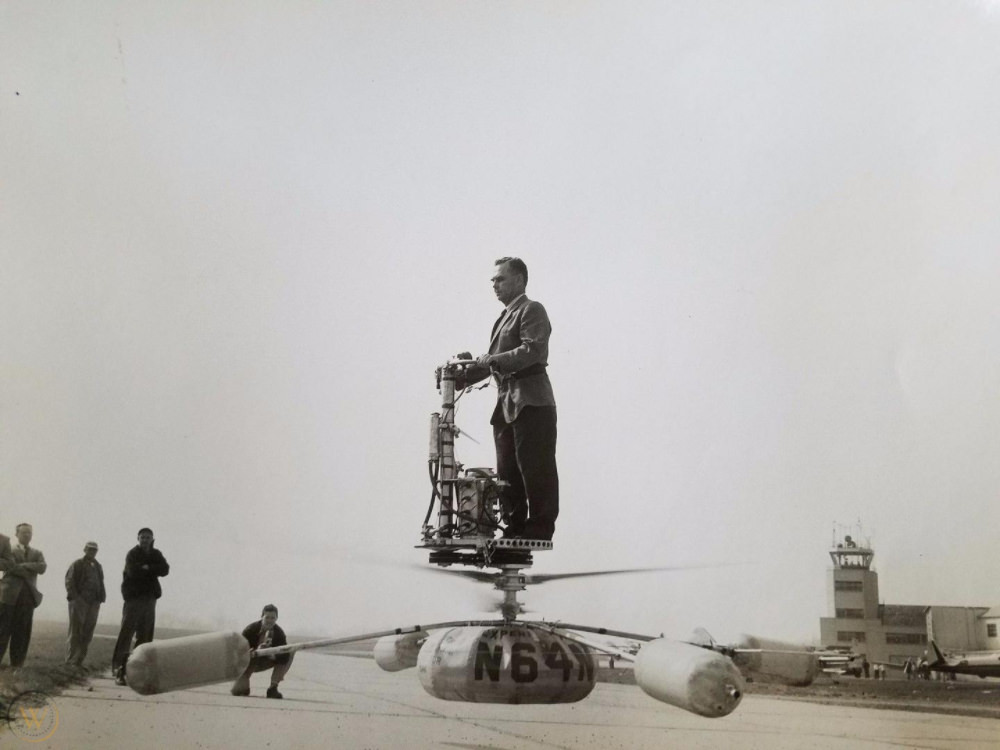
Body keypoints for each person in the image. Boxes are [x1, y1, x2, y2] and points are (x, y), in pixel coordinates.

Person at [455, 257, 559, 540]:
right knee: (507, 473)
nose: (494, 285)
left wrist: (491, 361)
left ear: (520, 280)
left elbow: (533, 351)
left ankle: (539, 528)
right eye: (492, 280)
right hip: (506, 403)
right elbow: (493, 364)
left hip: (531, 400)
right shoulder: (503, 318)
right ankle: (513, 527)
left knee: (535, 468)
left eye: (500, 279)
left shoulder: (531, 309)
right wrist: (459, 375)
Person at [112, 528, 169, 685]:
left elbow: (165, 569)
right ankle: (119, 670)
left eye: (148, 537)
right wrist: (151, 570)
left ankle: (138, 672)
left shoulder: (156, 554)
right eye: (142, 537)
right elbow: (132, 572)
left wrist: (148, 568)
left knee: (145, 636)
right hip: (133, 599)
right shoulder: (132, 554)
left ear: (152, 539)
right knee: (127, 633)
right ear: (138, 538)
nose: (145, 540)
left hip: (150, 599)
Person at [0, 523, 47, 670]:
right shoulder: (9, 549)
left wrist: (24, 566)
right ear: (17, 534)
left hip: (28, 596)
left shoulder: (37, 552)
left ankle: (17, 664)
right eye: (24, 533)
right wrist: (27, 568)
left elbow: (42, 567)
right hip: (8, 595)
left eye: (29, 533)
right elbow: (9, 566)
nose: (27, 535)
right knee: (2, 629)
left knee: (22, 631)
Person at [230, 604, 294, 699]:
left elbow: (285, 658)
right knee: (238, 691)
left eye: (273, 618)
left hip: (267, 661)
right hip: (249, 662)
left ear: (276, 619)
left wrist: (273, 655)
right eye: (267, 617)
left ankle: (273, 688)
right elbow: (237, 652)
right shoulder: (250, 629)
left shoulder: (279, 634)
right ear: (261, 617)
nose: (270, 620)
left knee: (290, 651)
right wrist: (255, 651)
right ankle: (244, 683)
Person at [65, 541, 106, 666]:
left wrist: (100, 598)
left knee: (88, 632)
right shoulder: (77, 564)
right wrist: (76, 598)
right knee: (76, 631)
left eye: (94, 550)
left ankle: (79, 661)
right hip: (80, 601)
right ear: (85, 549)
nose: (92, 552)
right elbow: (69, 581)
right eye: (90, 549)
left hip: (94, 603)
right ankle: (70, 661)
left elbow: (101, 582)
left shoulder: (98, 566)